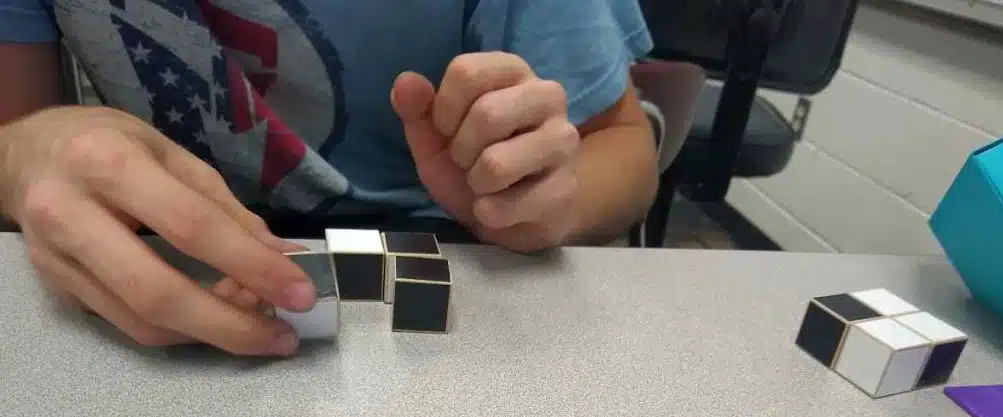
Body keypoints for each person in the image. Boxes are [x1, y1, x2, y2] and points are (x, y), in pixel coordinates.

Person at [0, 0, 658, 357]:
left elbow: (622, 146)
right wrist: (22, 155)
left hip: (457, 264)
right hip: (151, 292)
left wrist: (538, 201)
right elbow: (15, 139)